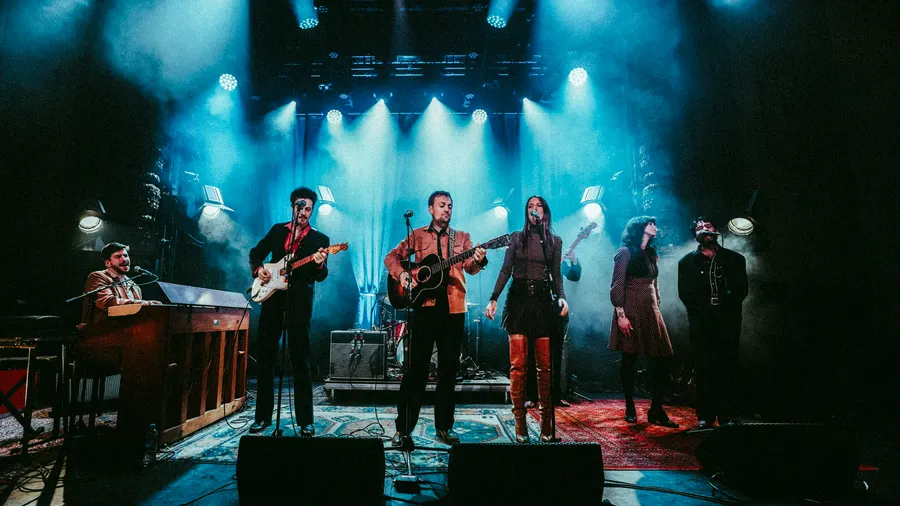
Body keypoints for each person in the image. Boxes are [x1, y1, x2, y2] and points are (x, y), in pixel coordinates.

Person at [385, 191, 487, 447]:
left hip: (454, 310)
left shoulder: (462, 237)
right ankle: (403, 429)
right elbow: (391, 257)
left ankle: (444, 427)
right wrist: (403, 275)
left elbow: (470, 269)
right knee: (415, 372)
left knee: (448, 373)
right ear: (431, 208)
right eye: (442, 205)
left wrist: (479, 261)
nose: (447, 209)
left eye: (450, 206)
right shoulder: (417, 234)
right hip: (424, 308)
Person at [485, 196, 569, 443]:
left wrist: (562, 297)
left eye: (538, 206)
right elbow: (506, 269)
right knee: (518, 366)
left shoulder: (554, 241)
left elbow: (556, 274)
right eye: (530, 206)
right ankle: (520, 425)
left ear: (545, 212)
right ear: (526, 212)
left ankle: (546, 426)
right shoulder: (516, 238)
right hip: (519, 300)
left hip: (543, 301)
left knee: (544, 367)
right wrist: (493, 298)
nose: (534, 209)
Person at [248, 187, 330, 436]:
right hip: (272, 299)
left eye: (308, 209)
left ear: (312, 211)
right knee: (266, 358)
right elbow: (256, 253)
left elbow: (321, 275)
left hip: (299, 303)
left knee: (300, 359)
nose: (303, 212)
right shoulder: (277, 230)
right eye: (300, 207)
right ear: (293, 207)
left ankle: (305, 421)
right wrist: (260, 270)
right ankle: (262, 417)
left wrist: (319, 265)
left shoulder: (320, 239)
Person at [678, 216, 748, 429]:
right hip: (702, 323)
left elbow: (741, 290)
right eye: (699, 227)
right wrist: (701, 314)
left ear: (716, 231)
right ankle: (705, 415)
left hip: (727, 322)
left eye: (707, 225)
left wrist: (726, 310)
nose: (703, 229)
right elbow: (685, 294)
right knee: (704, 369)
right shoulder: (686, 262)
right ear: (695, 235)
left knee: (727, 367)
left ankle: (727, 414)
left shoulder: (734, 259)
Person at [608, 216, 678, 428]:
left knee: (661, 359)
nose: (655, 227)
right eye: (650, 224)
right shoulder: (625, 252)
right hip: (631, 308)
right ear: (640, 228)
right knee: (629, 359)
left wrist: (657, 305)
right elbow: (617, 284)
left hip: (650, 309)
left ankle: (656, 409)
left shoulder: (651, 253)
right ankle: (629, 406)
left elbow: (654, 284)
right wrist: (621, 315)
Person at [524, 245, 581, 408]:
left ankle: (556, 396)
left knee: (556, 356)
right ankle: (532, 396)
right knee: (533, 355)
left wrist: (574, 261)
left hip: (556, 313)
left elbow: (574, 276)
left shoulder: (558, 262)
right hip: (535, 314)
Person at [81, 242, 160, 325]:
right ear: (107, 263)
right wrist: (145, 303)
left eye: (126, 255)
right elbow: (109, 302)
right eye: (118, 256)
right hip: (102, 330)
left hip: (131, 330)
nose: (124, 259)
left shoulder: (134, 286)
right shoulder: (98, 276)